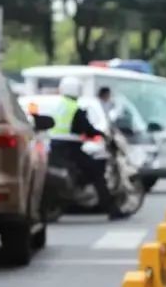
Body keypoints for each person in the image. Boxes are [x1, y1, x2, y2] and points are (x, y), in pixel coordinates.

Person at [52, 76, 124, 220]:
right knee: (97, 173)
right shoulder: (74, 109)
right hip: (70, 150)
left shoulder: (61, 105)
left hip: (58, 148)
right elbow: (86, 128)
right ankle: (112, 210)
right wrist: (101, 135)